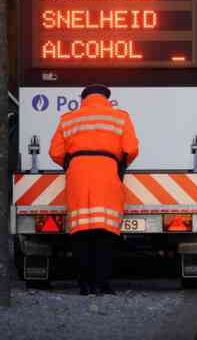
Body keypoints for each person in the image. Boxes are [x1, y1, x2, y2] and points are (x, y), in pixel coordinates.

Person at [49, 84, 139, 296]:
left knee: (81, 233)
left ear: (83, 99)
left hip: (78, 173)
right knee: (104, 232)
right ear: (107, 99)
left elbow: (55, 152)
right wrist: (119, 163)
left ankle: (84, 285)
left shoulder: (68, 119)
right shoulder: (120, 117)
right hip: (107, 171)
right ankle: (103, 284)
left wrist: (71, 163)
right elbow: (131, 149)